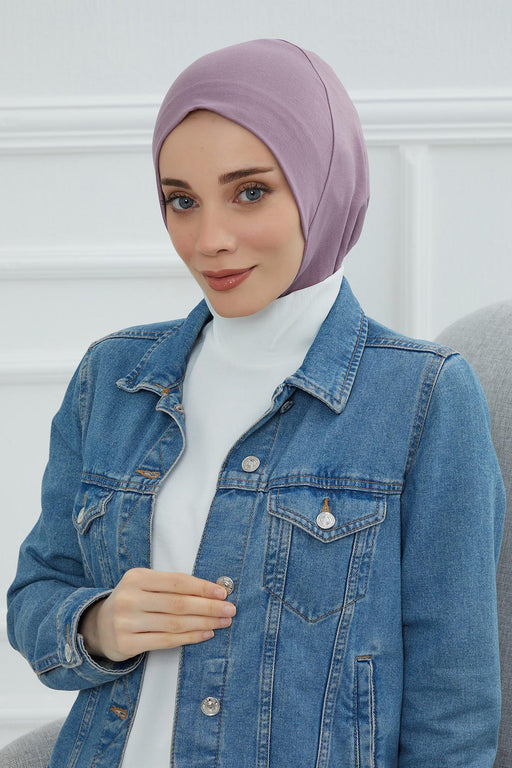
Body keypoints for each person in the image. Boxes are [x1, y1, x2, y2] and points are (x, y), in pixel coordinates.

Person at [6, 39, 505, 768]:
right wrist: (99, 625)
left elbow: (452, 709)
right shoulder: (112, 376)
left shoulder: (422, 397)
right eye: (182, 201)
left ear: (323, 182)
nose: (209, 240)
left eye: (250, 192)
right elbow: (37, 592)